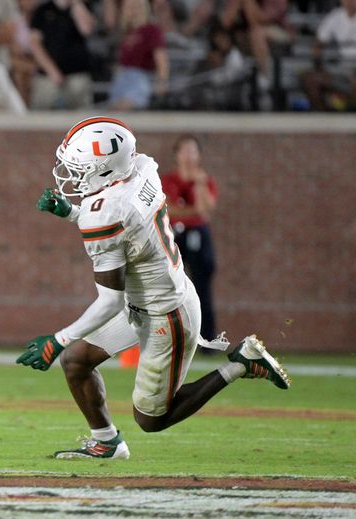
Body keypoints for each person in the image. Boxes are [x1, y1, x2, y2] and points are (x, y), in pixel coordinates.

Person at [17, 116, 290, 459]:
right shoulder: (142, 167)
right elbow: (129, 226)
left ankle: (241, 364)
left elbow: (109, 302)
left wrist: (56, 340)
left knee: (151, 418)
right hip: (148, 300)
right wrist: (72, 211)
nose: (73, 174)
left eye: (80, 167)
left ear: (104, 168)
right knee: (77, 361)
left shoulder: (103, 213)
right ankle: (107, 441)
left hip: (166, 313)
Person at [161, 135, 218, 343]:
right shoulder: (167, 180)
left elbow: (206, 208)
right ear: (176, 155)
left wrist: (199, 185)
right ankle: (171, 337)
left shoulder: (205, 180)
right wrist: (193, 212)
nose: (188, 156)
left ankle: (206, 340)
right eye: (184, 151)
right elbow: (168, 209)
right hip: (174, 234)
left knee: (202, 287)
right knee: (169, 285)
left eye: (193, 151)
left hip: (198, 234)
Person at [28, 0, 99, 110]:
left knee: (82, 119)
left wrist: (76, 4)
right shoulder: (43, 10)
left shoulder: (83, 7)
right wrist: (52, 70)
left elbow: (86, 30)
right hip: (47, 76)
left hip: (78, 74)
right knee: (41, 117)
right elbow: (34, 44)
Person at [107, 0, 170, 110]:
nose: (133, 10)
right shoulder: (126, 32)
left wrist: (162, 81)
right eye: (129, 7)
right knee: (113, 111)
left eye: (136, 6)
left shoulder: (152, 30)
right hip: (122, 78)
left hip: (140, 79)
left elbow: (161, 58)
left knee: (123, 108)